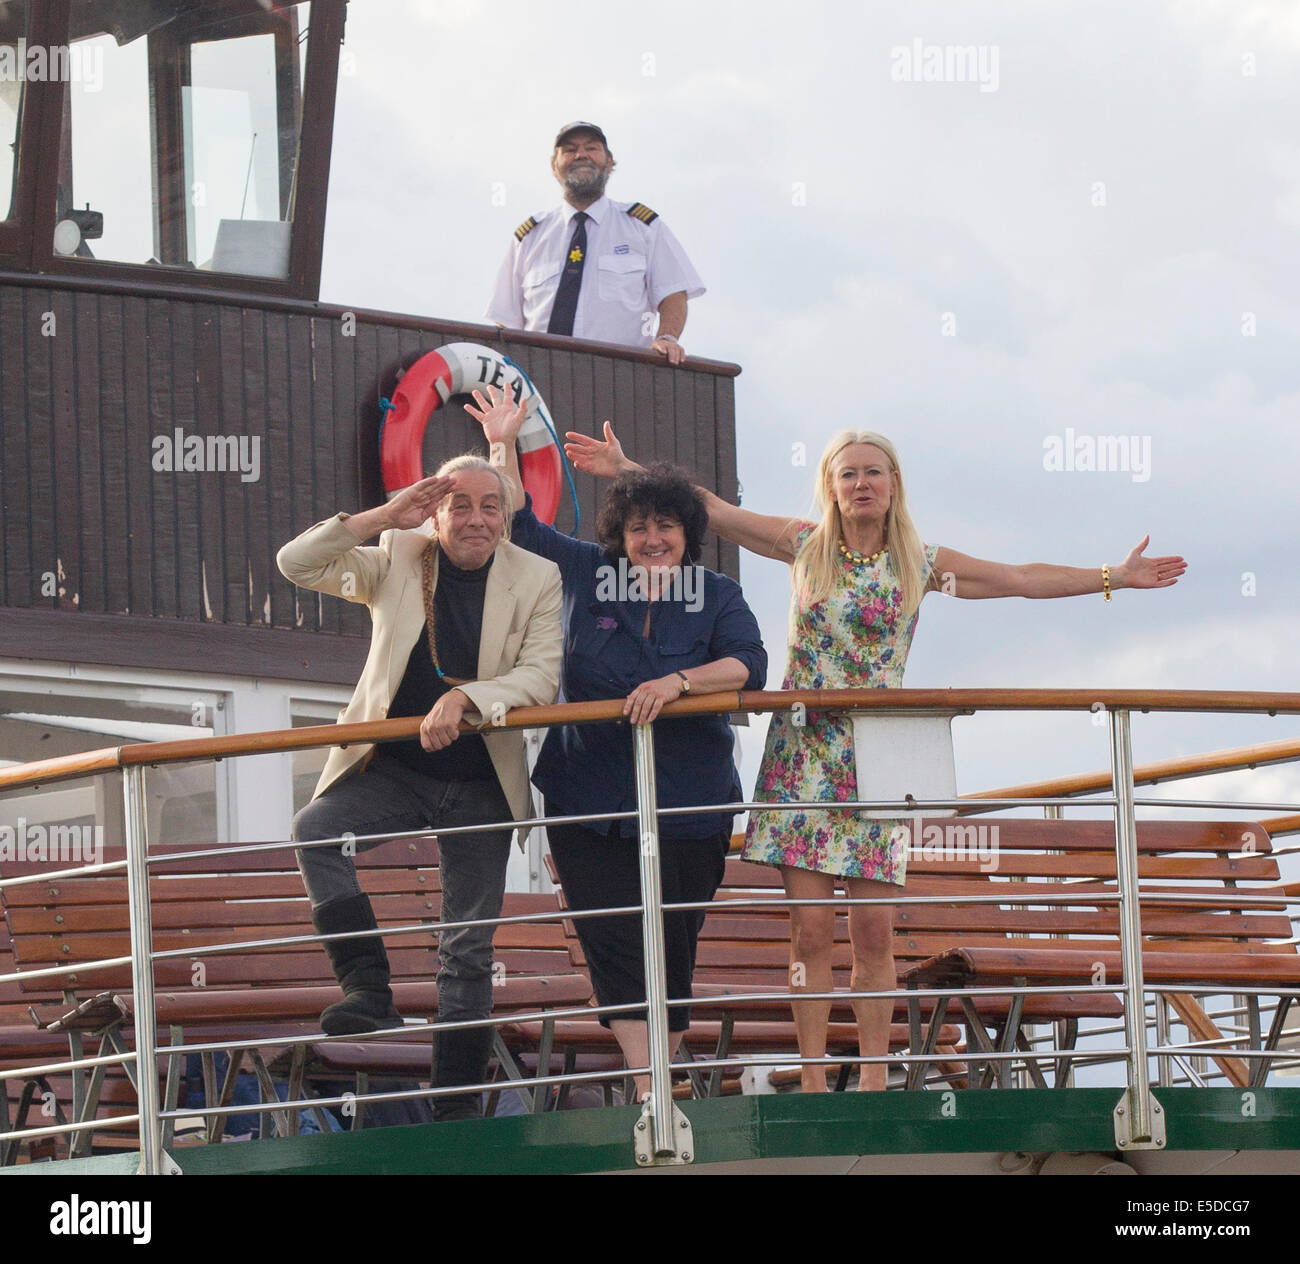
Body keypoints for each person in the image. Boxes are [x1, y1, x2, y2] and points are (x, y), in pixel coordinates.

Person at [564, 422, 1187, 1093]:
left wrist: (1111, 576)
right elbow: (709, 507)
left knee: (872, 934)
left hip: (878, 759)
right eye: (849, 474)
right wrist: (629, 466)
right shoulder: (804, 546)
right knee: (808, 932)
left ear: (893, 486)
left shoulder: (917, 560)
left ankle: (869, 1079)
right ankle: (809, 1079)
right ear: (831, 487)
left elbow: (1016, 578)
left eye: (873, 473)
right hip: (803, 754)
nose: (861, 485)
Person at [465, 384, 766, 1099]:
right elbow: (520, 525)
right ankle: (650, 1082)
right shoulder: (587, 575)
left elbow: (748, 665)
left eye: (665, 526)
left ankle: (660, 1072)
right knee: (611, 936)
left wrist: (680, 684)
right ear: (619, 538)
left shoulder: (715, 593)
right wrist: (501, 443)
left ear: (689, 533)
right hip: (588, 799)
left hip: (689, 804)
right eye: (638, 528)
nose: (652, 538)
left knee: (672, 939)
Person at [276, 456, 562, 1120]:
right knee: (315, 830)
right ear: (432, 512)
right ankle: (368, 991)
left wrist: (466, 699)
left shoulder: (536, 576)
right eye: (458, 504)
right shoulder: (399, 554)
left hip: (483, 782)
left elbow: (541, 676)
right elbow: (298, 564)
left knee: (467, 948)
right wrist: (379, 518)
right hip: (397, 772)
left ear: (506, 517)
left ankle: (455, 1110)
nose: (476, 519)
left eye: (490, 506)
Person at [486, 121, 704, 365]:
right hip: (539, 375)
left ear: (609, 162)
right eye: (569, 150)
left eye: (591, 148)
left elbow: (673, 291)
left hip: (619, 377)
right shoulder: (529, 238)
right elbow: (505, 320)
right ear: (553, 166)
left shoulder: (643, 228)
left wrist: (666, 338)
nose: (581, 155)